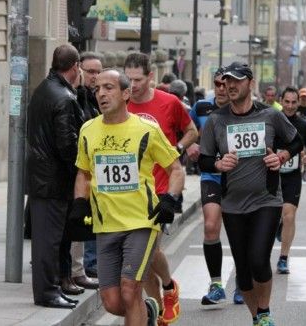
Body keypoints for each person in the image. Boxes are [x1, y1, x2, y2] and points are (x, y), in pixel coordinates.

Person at [72, 68, 185, 325]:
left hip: (141, 222)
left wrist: (169, 199)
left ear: (126, 94)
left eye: (108, 88)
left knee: (129, 288)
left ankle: (142, 309)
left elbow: (175, 169)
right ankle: (147, 311)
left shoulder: (146, 129)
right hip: (106, 224)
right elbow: (83, 174)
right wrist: (80, 204)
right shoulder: (88, 130)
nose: (101, 93)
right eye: (97, 88)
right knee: (112, 302)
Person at [199, 62, 303, 326]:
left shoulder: (270, 115)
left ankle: (265, 313)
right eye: (226, 81)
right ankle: (257, 317)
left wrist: (282, 155)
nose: (230, 86)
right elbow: (204, 160)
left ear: (250, 83)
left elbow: (296, 140)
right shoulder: (217, 120)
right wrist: (218, 165)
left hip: (266, 198)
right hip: (233, 203)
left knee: (259, 260)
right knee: (243, 274)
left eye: (236, 80)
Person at [124, 52, 198, 325]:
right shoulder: (120, 102)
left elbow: (191, 130)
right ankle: (156, 307)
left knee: (149, 251)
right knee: (141, 267)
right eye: (128, 79)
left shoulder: (169, 102)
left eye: (138, 79)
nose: (132, 86)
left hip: (160, 188)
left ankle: (168, 286)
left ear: (151, 76)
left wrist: (176, 149)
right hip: (128, 192)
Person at [26, 44, 82, 309]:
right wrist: (80, 173)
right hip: (54, 179)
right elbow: (67, 144)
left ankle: (51, 289)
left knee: (46, 240)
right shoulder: (64, 97)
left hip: (42, 176)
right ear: (75, 67)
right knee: (49, 242)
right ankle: (48, 292)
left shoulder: (43, 90)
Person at [189, 67, 244, 307]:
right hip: (211, 176)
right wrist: (190, 145)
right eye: (217, 84)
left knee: (239, 234)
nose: (222, 89)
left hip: (240, 179)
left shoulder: (243, 109)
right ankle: (216, 284)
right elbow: (188, 130)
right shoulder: (202, 106)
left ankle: (243, 283)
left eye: (226, 84)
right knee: (211, 226)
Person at [275, 86, 306, 274]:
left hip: (292, 176)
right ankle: (278, 225)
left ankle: (283, 258)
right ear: (281, 101)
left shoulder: (304, 126)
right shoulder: (272, 122)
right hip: (271, 175)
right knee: (273, 215)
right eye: (287, 102)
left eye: (294, 102)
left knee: (289, 214)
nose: (290, 106)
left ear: (298, 102)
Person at [78, 51, 103, 280]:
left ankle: (93, 261)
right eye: (90, 71)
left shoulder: (96, 97)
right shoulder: (77, 95)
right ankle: (89, 262)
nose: (94, 76)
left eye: (98, 71)